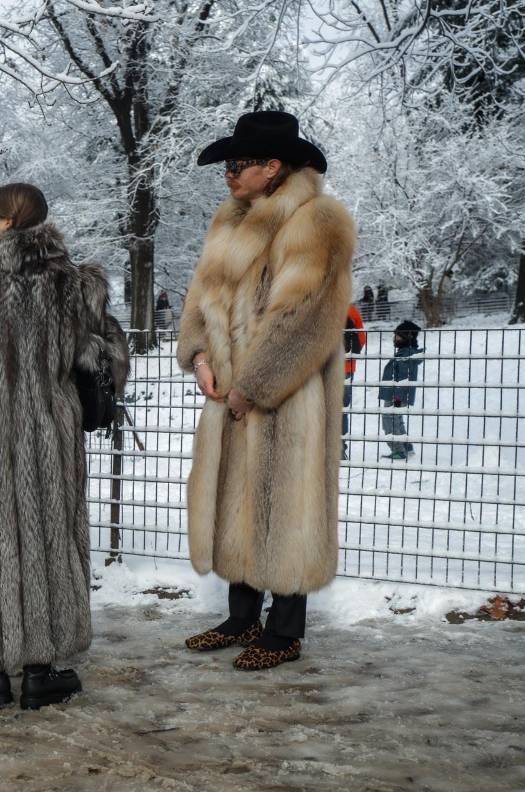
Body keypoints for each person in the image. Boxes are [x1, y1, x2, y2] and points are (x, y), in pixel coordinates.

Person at [0, 182, 129, 710]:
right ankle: (42, 669)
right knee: (49, 535)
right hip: (49, 435)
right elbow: (109, 362)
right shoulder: (78, 285)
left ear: (11, 221)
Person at [176, 111, 355, 670]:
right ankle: (240, 617)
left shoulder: (315, 220)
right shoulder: (229, 221)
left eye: (237, 164)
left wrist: (253, 387)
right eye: (227, 165)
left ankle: (284, 631)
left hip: (286, 396)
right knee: (235, 500)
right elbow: (202, 297)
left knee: (284, 502)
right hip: (227, 395)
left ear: (273, 167)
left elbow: (303, 319)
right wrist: (200, 356)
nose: (228, 174)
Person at [379, 320, 424, 460]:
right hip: (397, 395)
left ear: (407, 338)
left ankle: (398, 450)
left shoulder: (405, 355)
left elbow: (403, 380)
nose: (394, 339)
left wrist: (397, 399)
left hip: (396, 395)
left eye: (397, 336)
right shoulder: (405, 353)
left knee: (389, 419)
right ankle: (406, 447)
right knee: (396, 419)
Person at [342, 303, 367, 459]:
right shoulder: (351, 310)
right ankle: (339, 448)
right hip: (347, 366)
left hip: (324, 367)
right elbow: (361, 339)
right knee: (341, 409)